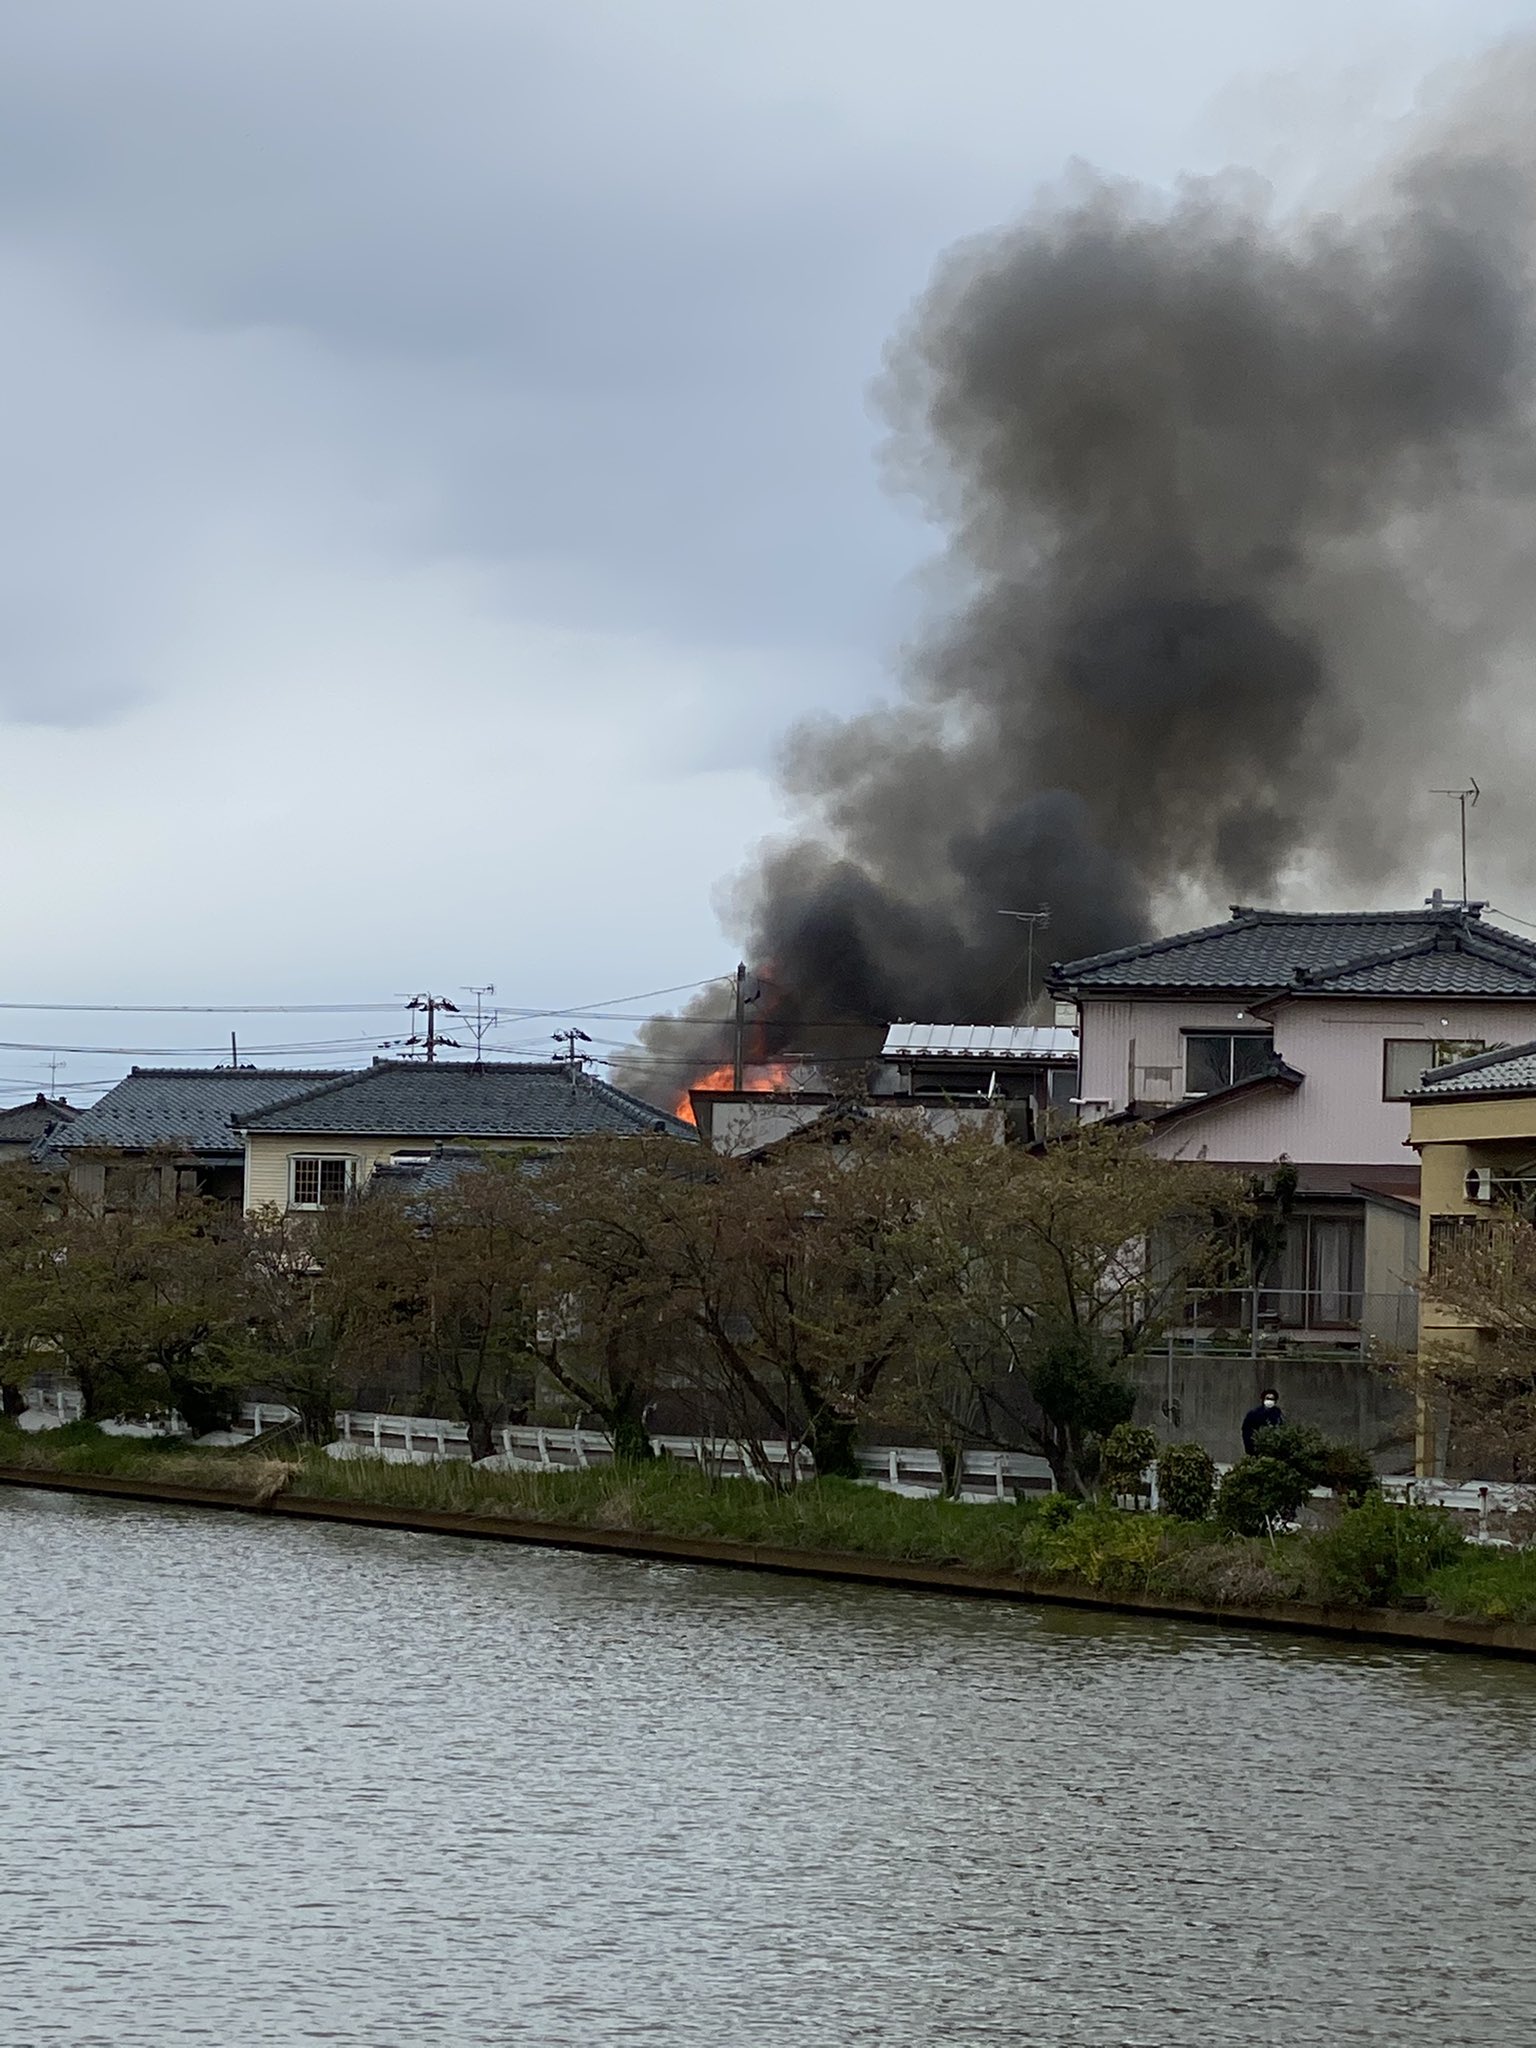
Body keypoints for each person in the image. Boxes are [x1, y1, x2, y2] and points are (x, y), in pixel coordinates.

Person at [1242, 1388, 1285, 1457]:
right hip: (1256, 1447)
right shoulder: (1254, 1414)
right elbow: (1246, 1430)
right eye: (1268, 1398)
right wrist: (1250, 1446)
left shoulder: (1278, 1414)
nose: (1270, 1401)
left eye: (1272, 1399)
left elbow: (1281, 1428)